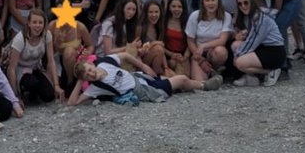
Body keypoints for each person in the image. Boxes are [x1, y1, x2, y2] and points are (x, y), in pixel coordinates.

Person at [66, 53, 216, 107]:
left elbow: (125, 55)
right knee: (182, 79)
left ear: (92, 64)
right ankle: (205, 86)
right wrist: (80, 80)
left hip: (139, 77)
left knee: (169, 79)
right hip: (142, 90)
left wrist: (144, 66)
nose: (91, 74)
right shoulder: (96, 87)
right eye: (87, 75)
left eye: (90, 70)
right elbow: (72, 103)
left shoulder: (104, 62)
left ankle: (188, 86)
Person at [231, 0, 288, 85]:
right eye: (240, 4)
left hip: (274, 52)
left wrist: (237, 55)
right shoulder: (247, 16)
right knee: (235, 45)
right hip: (262, 47)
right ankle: (252, 77)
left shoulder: (260, 17)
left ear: (252, 1)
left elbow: (253, 41)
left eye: (246, 3)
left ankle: (271, 71)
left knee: (239, 62)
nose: (243, 6)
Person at [7, 12, 62, 105]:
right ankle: (24, 92)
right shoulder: (20, 38)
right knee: (31, 82)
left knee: (49, 96)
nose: (37, 25)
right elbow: (11, 68)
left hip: (36, 67)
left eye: (40, 23)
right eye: (34, 22)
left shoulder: (47, 35)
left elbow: (51, 60)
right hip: (20, 68)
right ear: (29, 23)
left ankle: (35, 93)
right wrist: (15, 97)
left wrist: (56, 85)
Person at [186, 0, 231, 82]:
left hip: (214, 51)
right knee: (200, 82)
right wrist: (200, 59)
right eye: (207, 0)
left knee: (221, 52)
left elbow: (222, 40)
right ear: (203, 2)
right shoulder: (195, 16)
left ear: (218, 1)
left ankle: (215, 69)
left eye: (213, 0)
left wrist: (204, 45)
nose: (210, 3)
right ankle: (207, 72)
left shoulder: (226, 16)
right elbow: (190, 40)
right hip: (198, 52)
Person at [162, 0, 191, 76]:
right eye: (173, 6)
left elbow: (191, 41)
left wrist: (185, 56)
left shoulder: (187, 22)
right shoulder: (163, 22)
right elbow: (159, 43)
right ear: (169, 8)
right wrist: (171, 54)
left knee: (186, 74)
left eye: (179, 7)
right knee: (174, 63)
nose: (176, 9)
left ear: (183, 8)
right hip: (168, 55)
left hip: (184, 55)